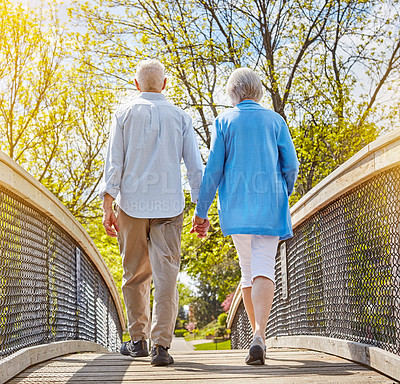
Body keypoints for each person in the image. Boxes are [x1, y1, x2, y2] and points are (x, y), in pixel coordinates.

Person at [191, 68, 299, 365]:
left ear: (233, 93)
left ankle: (255, 334)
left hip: (237, 207)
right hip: (270, 205)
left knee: (248, 270)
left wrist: (201, 212)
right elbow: (291, 165)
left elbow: (213, 170)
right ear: (259, 91)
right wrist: (281, 192)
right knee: (264, 265)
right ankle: (260, 334)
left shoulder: (224, 121)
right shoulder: (275, 120)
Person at [100, 59, 203, 366]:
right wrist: (201, 208)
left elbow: (113, 163)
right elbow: (195, 167)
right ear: (165, 84)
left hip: (131, 204)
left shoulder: (123, 113)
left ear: (136, 85)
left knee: (134, 274)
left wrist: (108, 203)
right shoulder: (181, 117)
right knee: (167, 274)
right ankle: (161, 346)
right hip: (170, 206)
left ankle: (138, 341)